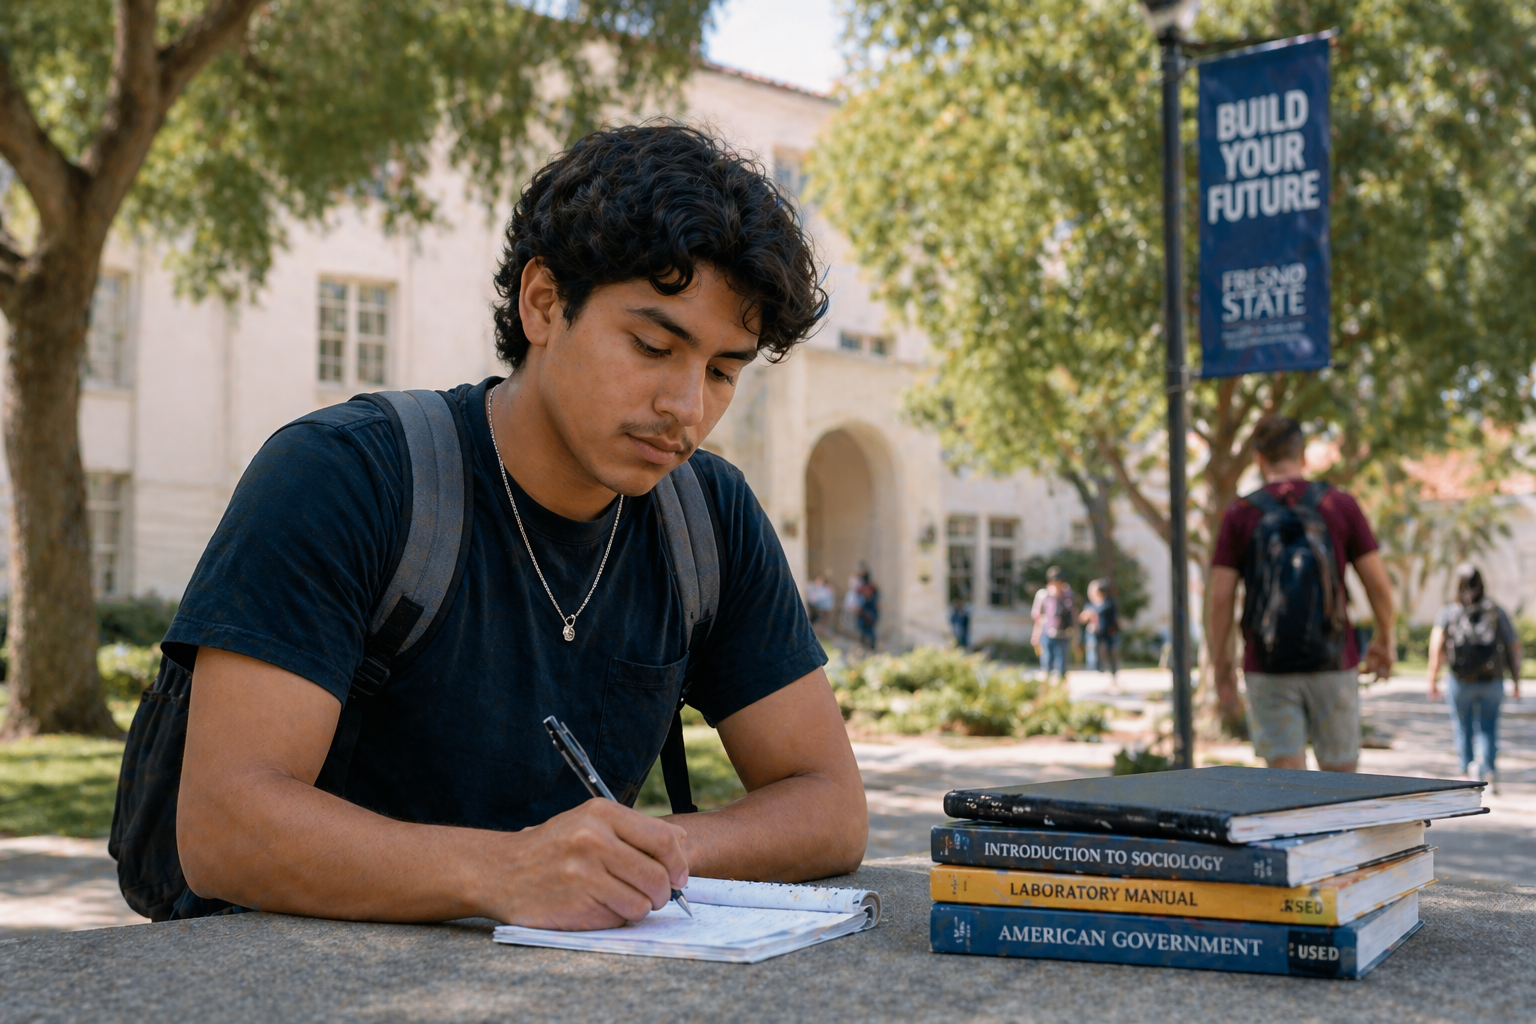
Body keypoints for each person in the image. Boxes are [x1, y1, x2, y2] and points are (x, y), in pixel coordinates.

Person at [166, 124, 866, 929]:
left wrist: (644, 851)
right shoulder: (343, 476)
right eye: (651, 345)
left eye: (720, 371)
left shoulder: (708, 518)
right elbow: (224, 826)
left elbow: (829, 806)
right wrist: (508, 870)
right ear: (542, 303)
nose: (686, 407)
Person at [1209, 415, 1395, 773]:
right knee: (1340, 782)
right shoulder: (1339, 505)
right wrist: (1385, 639)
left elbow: (1220, 599)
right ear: (1304, 455)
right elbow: (1378, 585)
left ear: (1257, 459)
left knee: (1286, 786)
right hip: (1334, 659)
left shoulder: (1240, 513)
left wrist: (1222, 670)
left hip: (1267, 663)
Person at [1427, 565, 1521, 793]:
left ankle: (1465, 771)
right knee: (1488, 728)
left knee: (1462, 726)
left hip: (1460, 680)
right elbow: (1513, 645)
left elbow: (1437, 644)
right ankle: (1489, 770)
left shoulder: (1449, 612)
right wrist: (1517, 679)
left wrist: (1433, 677)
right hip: (1492, 680)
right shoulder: (1496, 611)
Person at [1031, 566, 1075, 681]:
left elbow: (1072, 613)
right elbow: (1038, 617)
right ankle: (1047, 686)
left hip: (1063, 632)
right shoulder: (1043, 594)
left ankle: (1061, 686)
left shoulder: (1067, 595)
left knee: (1062, 661)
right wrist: (1035, 634)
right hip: (1047, 631)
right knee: (1046, 660)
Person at [1080, 578, 1120, 690]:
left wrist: (1090, 613)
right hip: (1094, 634)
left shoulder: (1109, 601)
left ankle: (1113, 677)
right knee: (1093, 654)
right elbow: (1083, 617)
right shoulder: (1090, 604)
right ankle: (1095, 674)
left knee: (1111, 655)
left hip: (1109, 633)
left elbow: (1101, 611)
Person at [857, 572, 880, 650]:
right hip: (867, 613)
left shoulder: (868, 588)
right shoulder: (870, 587)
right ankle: (866, 646)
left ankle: (871, 646)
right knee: (865, 630)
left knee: (869, 630)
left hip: (869, 613)